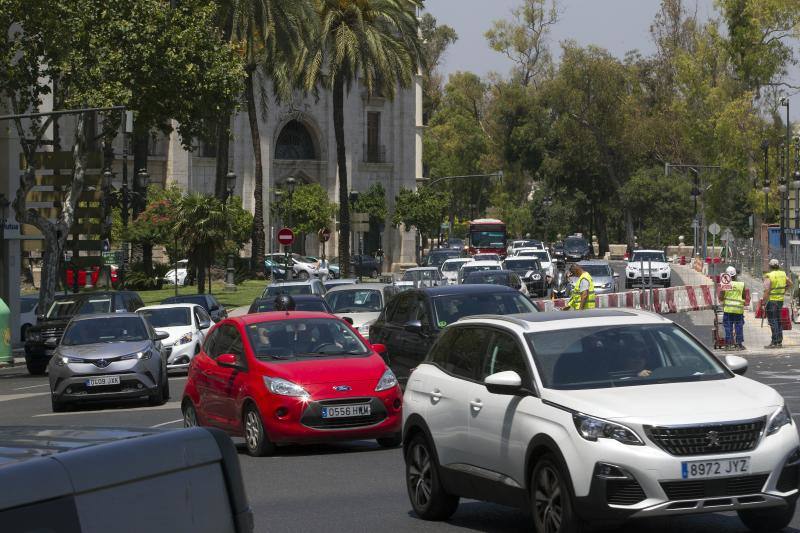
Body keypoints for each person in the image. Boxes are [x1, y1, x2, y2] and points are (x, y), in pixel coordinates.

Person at [762, 259, 793, 349]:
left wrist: (763, 302)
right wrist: (784, 290)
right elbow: (790, 283)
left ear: (770, 266)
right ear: (778, 266)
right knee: (778, 321)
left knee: (773, 321)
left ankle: (774, 341)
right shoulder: (783, 274)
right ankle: (779, 341)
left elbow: (767, 290)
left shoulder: (769, 275)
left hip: (771, 301)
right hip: (780, 301)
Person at [719, 266, 750, 350]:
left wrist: (724, 299)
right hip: (738, 310)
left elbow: (721, 297)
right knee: (738, 326)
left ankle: (729, 344)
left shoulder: (725, 283)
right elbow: (744, 296)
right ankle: (739, 344)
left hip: (728, 309)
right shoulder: (741, 284)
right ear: (735, 275)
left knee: (728, 326)